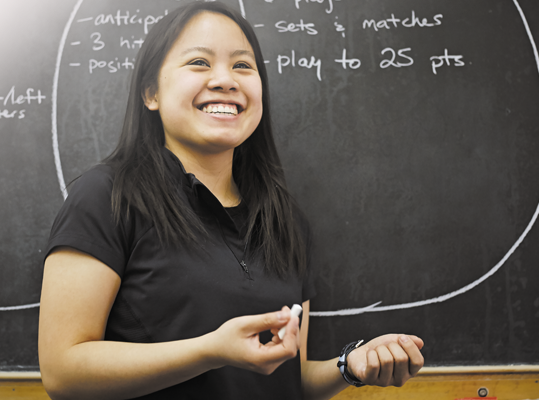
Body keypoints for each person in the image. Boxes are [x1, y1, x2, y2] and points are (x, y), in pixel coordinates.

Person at [38, 2, 424, 399]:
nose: (225, 80)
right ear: (151, 93)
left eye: (242, 66)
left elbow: (286, 378)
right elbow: (63, 372)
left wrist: (350, 367)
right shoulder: (107, 198)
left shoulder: (284, 220)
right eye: (199, 63)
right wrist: (210, 351)